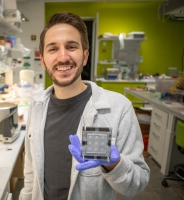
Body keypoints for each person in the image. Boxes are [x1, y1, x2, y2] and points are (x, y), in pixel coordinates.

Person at [19, 11, 150, 200]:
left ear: (85, 56)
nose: (63, 57)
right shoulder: (36, 105)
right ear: (43, 61)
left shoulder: (119, 108)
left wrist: (114, 164)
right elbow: (31, 171)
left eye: (71, 47)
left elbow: (137, 183)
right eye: (53, 49)